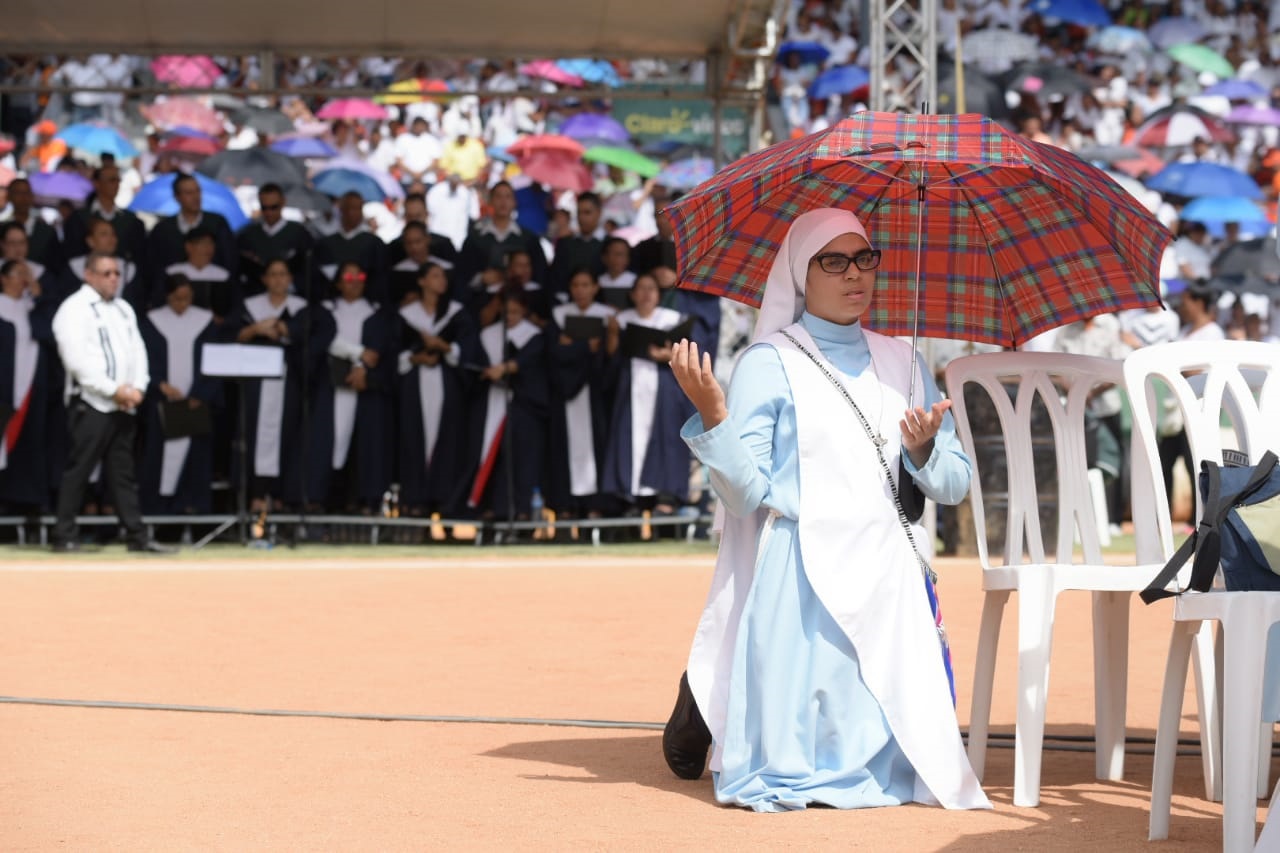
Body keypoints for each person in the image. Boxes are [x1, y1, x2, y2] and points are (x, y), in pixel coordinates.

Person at [661, 208, 988, 812]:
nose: (854, 274)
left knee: (905, 763)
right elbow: (744, 496)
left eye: (864, 258)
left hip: (888, 575)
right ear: (800, 275)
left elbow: (954, 485)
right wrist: (714, 415)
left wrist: (922, 451)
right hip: (801, 575)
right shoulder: (769, 361)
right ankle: (708, 696)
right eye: (833, 261)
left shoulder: (905, 361)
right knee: (794, 762)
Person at [49, 252, 171, 552]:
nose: (114, 278)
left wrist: (137, 389)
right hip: (91, 402)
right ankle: (64, 534)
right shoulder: (74, 308)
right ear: (89, 275)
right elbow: (76, 361)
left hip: (124, 404)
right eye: (107, 273)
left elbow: (137, 351)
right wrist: (114, 390)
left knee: (123, 473)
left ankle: (137, 536)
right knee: (79, 470)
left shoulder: (123, 308)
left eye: (117, 273)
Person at [396, 260, 478, 517]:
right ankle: (415, 502)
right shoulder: (407, 315)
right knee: (413, 439)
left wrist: (444, 347)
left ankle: (445, 505)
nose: (441, 281)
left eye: (443, 276)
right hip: (415, 385)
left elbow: (468, 349)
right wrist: (415, 358)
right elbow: (393, 351)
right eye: (434, 276)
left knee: (449, 440)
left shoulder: (456, 313)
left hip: (447, 384)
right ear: (421, 281)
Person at [138, 273, 222, 515]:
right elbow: (143, 357)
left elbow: (212, 361)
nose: (182, 304)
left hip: (195, 403)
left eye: (187, 298)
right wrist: (160, 384)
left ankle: (191, 506)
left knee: (196, 457)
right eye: (177, 299)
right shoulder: (153, 322)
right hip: (163, 402)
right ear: (167, 296)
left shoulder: (204, 322)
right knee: (158, 456)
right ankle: (157, 510)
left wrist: (200, 394)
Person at [235, 259, 310, 511]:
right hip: (255, 381)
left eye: (283, 274)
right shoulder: (250, 306)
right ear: (264, 279)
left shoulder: (301, 307)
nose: (278, 280)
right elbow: (234, 334)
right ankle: (254, 494)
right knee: (252, 433)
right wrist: (256, 329)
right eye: (273, 274)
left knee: (287, 434)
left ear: (290, 279)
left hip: (289, 380)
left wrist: (280, 328)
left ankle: (280, 496)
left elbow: (306, 336)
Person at [546, 269, 616, 521]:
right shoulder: (559, 315)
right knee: (563, 449)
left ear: (595, 287)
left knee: (596, 446)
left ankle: (595, 505)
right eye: (575, 285)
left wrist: (571, 346)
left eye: (586, 285)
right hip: (565, 392)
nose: (580, 290)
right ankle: (566, 505)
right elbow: (553, 354)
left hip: (595, 392)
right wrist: (586, 346)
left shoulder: (607, 316)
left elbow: (609, 357)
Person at [0, 259, 54, 512]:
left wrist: (40, 298)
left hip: (30, 389)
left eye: (28, 274)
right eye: (18, 274)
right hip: (4, 388)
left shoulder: (32, 308)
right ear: (3, 278)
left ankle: (24, 502)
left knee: (29, 446)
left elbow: (46, 334)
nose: (24, 279)